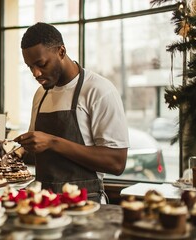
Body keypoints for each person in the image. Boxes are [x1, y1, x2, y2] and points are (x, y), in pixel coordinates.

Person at [14, 22, 129, 203]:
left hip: (86, 206)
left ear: (61, 52)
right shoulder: (40, 94)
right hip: (44, 205)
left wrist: (52, 142)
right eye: (30, 67)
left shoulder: (98, 90)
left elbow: (116, 163)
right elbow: (39, 151)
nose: (36, 73)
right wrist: (17, 151)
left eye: (41, 64)